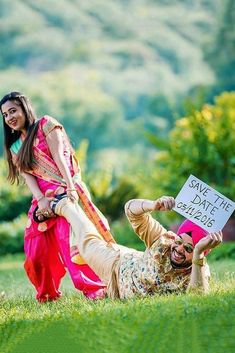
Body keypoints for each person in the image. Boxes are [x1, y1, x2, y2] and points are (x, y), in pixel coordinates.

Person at [0, 91, 115, 302]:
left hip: (64, 191)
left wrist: (70, 189)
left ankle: (95, 289)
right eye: (5, 115)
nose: (9, 118)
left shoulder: (46, 124)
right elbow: (29, 177)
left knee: (69, 243)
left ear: (25, 108)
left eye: (13, 111)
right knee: (36, 251)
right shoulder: (16, 145)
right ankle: (47, 294)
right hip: (42, 199)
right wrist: (41, 200)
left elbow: (61, 158)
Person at [50, 194, 223, 298]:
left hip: (117, 292)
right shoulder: (163, 239)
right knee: (88, 243)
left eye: (188, 249)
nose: (178, 249)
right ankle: (65, 205)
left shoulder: (198, 269)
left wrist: (198, 255)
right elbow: (130, 210)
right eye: (179, 242)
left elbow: (197, 297)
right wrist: (153, 205)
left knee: (88, 244)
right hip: (116, 265)